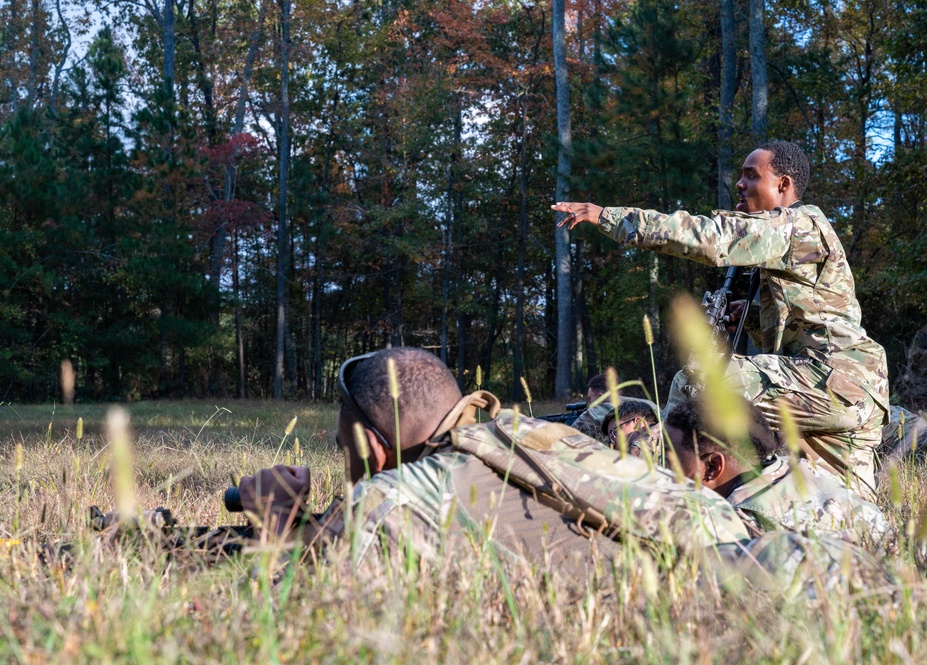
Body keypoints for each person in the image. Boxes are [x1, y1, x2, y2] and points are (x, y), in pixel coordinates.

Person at [552, 140, 889, 496]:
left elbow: (711, 238)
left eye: (751, 176)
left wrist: (608, 217)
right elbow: (817, 318)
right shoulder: (795, 234)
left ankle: (653, 484)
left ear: (783, 185)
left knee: (696, 383)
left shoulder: (796, 226)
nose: (740, 185)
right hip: (852, 387)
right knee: (843, 499)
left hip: (835, 377)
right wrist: (755, 316)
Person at [236, 347, 749, 578]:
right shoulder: (537, 435)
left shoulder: (388, 500)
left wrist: (279, 520)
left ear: (373, 449)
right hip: (754, 557)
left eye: (345, 450)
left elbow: (287, 612)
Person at [662, 397, 891, 542]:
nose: (663, 470)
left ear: (712, 466)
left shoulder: (746, 523)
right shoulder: (795, 469)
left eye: (670, 460)